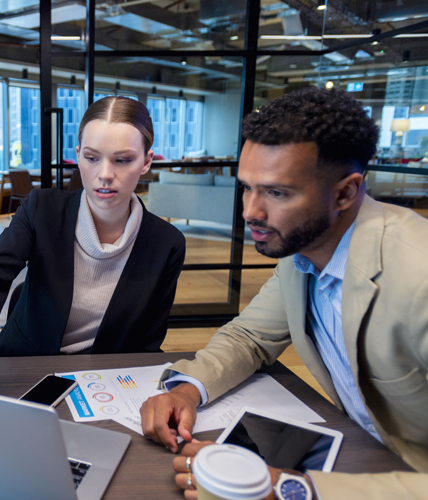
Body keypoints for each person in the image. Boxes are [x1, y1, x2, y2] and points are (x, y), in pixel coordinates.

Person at [140, 88, 428, 499]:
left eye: (277, 192)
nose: (250, 212)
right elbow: (251, 336)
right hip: (364, 454)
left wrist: (293, 490)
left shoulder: (419, 277)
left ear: (345, 193)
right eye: (246, 187)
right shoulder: (304, 255)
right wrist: (187, 389)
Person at [0, 96, 186, 392]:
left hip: (102, 381)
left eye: (123, 160)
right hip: (25, 365)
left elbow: (145, 345)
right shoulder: (42, 209)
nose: (105, 174)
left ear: (146, 162)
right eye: (92, 158)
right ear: (78, 154)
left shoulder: (166, 244)